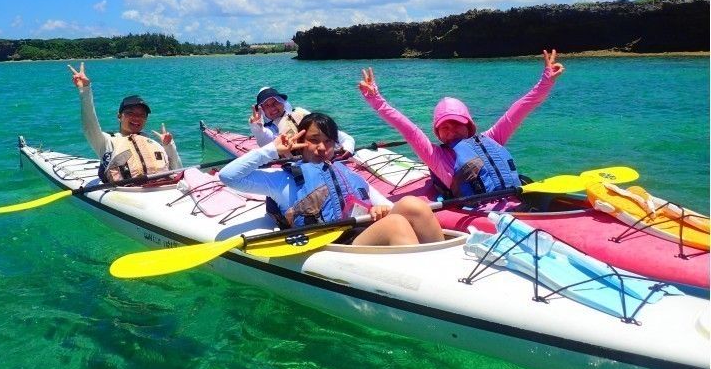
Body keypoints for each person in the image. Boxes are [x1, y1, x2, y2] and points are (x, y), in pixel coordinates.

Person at [358, 50, 565, 201]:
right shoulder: (436, 157)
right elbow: (409, 130)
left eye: (457, 125)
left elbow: (519, 109)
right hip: (480, 214)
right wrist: (376, 100)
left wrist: (545, 82)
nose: (451, 131)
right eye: (444, 127)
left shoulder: (492, 139)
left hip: (516, 200)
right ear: (437, 133)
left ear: (469, 127)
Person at [220, 112, 444, 246]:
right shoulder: (282, 180)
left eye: (328, 141)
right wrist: (272, 150)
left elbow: (386, 206)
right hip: (329, 245)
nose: (321, 147)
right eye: (313, 139)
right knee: (396, 224)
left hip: (361, 232)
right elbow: (228, 176)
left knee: (414, 206)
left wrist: (380, 211)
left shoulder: (346, 173)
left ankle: (442, 266)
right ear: (299, 141)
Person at [68, 62, 182, 182]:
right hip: (127, 194)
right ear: (119, 116)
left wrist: (169, 146)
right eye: (130, 113)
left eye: (141, 115)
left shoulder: (154, 144)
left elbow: (178, 172)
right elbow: (90, 125)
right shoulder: (107, 142)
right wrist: (85, 90)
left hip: (164, 191)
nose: (136, 118)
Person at [248, 86, 356, 158]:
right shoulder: (267, 130)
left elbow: (340, 136)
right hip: (298, 164)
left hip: (329, 156)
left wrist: (348, 146)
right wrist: (257, 128)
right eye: (267, 105)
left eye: (275, 103)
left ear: (282, 103)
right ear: (262, 110)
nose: (272, 108)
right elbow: (265, 142)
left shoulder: (300, 113)